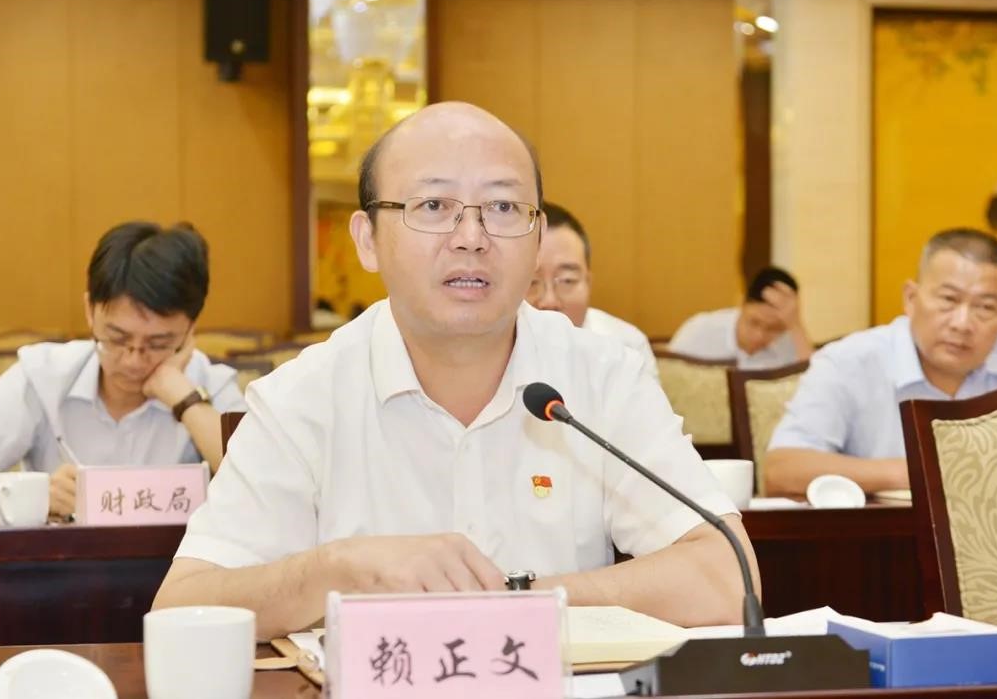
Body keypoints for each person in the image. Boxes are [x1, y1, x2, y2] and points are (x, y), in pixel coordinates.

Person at [153, 102, 757, 639]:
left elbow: (727, 577)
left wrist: (518, 599)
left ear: (537, 237)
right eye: (434, 206)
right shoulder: (301, 397)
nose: (471, 237)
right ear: (368, 240)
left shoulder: (602, 378)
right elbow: (182, 606)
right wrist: (337, 570)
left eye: (503, 207)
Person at [0, 222, 246, 517]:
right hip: (63, 555)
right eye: (117, 338)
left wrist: (186, 401)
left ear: (190, 328)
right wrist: (38, 494)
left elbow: (258, 486)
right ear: (90, 310)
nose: (133, 360)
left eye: (158, 343)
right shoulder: (43, 375)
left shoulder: (210, 385)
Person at [765, 228, 997, 496]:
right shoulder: (848, 361)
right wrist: (923, 471)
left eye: (985, 307)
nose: (962, 323)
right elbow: (782, 470)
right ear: (911, 298)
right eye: (948, 299)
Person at [525, 202, 658, 376]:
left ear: (588, 283)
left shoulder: (627, 348)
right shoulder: (490, 353)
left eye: (567, 280)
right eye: (531, 282)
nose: (549, 301)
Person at [669, 267, 812, 369]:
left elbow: (814, 389)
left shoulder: (791, 342)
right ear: (741, 303)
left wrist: (796, 326)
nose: (758, 336)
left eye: (773, 329)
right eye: (754, 322)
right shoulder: (700, 330)